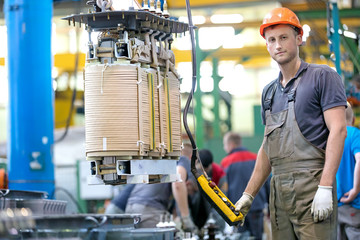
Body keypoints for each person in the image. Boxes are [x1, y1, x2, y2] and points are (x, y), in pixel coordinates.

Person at [234, 7, 347, 240]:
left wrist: (325, 187)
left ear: (299, 38)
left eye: (284, 37)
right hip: (279, 192)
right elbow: (268, 147)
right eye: (271, 39)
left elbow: (338, 130)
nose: (278, 45)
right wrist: (248, 194)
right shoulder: (268, 93)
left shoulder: (322, 77)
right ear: (266, 45)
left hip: (313, 187)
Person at [123, 155, 196, 231]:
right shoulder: (183, 159)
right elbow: (178, 183)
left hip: (130, 207)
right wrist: (186, 219)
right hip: (150, 210)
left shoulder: (159, 159)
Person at [221, 132, 270, 240]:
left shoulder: (226, 162)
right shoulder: (256, 158)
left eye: (225, 145)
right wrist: (270, 209)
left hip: (237, 209)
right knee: (257, 237)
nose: (224, 148)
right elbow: (267, 183)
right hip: (256, 207)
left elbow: (224, 190)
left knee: (240, 237)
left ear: (230, 145)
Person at [336, 102, 360, 240]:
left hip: (334, 204)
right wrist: (355, 189)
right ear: (354, 119)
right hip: (353, 203)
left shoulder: (328, 138)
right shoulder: (354, 134)